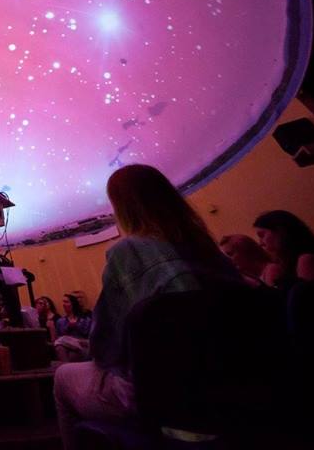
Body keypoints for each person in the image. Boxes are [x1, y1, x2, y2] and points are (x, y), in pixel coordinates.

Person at [54, 164, 241, 449]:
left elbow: (105, 346)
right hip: (228, 389)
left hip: (158, 393)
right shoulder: (210, 252)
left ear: (122, 207)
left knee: (62, 377)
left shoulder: (127, 252)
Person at [253, 210, 314, 288]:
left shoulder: (306, 260)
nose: (260, 243)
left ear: (280, 231)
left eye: (262, 235)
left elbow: (305, 296)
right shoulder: (284, 262)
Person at [54, 293, 93, 361]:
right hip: (66, 344)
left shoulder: (85, 319)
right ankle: (66, 366)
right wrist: (68, 328)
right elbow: (59, 337)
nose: (63, 304)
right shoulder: (60, 321)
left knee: (74, 354)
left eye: (66, 302)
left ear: (73, 304)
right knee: (59, 347)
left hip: (82, 343)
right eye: (63, 302)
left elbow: (90, 334)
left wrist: (77, 326)